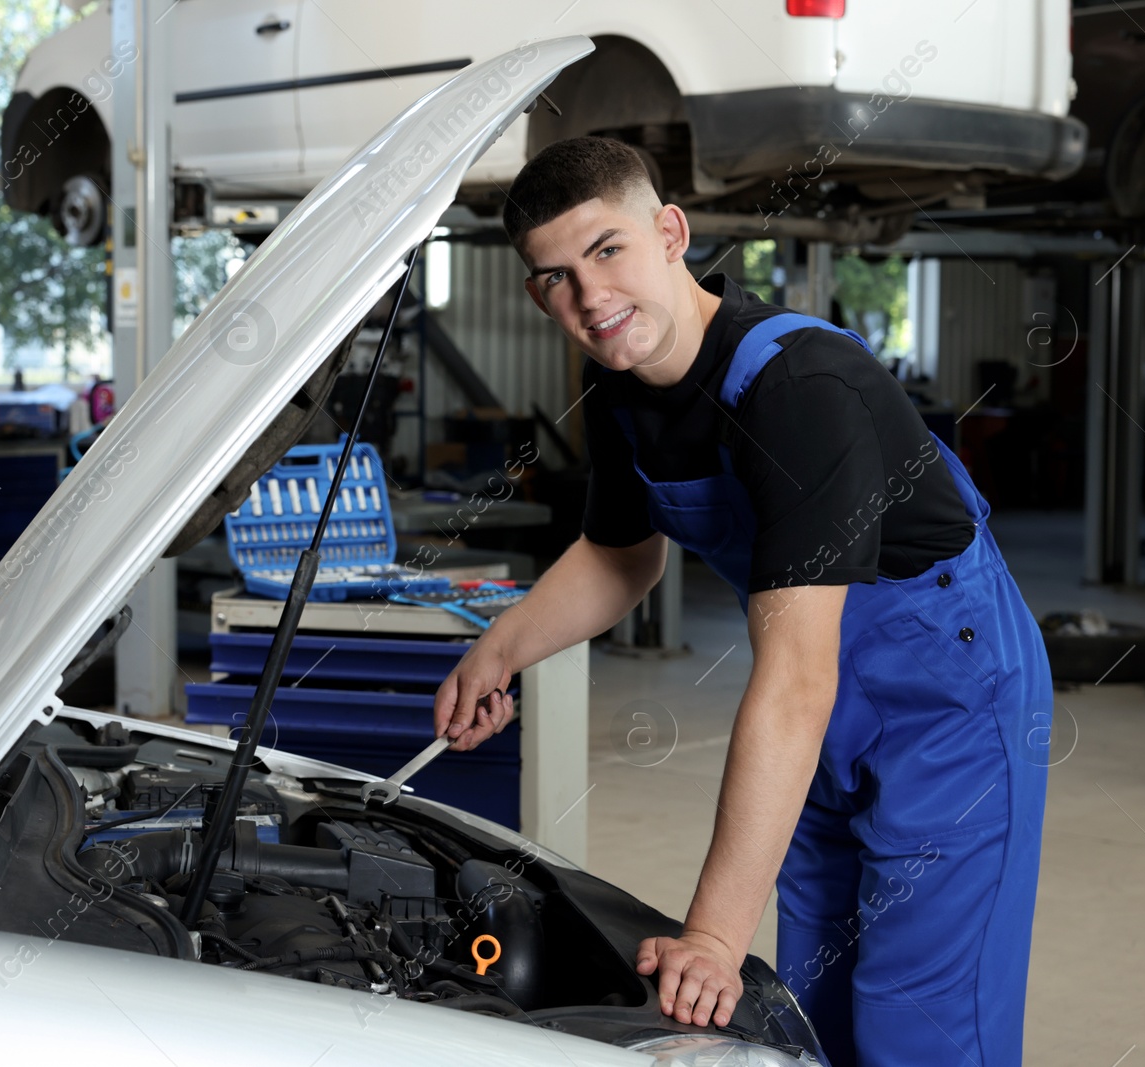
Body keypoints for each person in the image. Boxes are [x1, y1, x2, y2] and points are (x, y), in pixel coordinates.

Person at [431, 136, 1052, 1067]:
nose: (591, 297)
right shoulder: (617, 391)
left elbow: (796, 680)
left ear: (670, 232)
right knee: (818, 1001)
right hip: (827, 713)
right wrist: (502, 645)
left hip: (951, 705)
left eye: (608, 250)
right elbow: (618, 556)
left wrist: (713, 935)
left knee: (922, 1018)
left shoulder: (797, 388)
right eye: (556, 276)